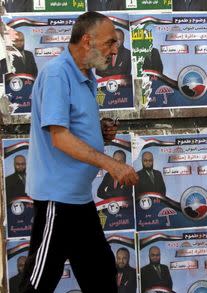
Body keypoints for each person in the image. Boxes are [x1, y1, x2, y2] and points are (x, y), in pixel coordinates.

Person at [21, 12, 139, 293]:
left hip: (78, 199)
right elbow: (60, 137)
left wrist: (97, 130)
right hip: (57, 199)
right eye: (110, 42)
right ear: (88, 40)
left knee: (101, 273)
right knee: (39, 282)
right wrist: (112, 164)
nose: (115, 49)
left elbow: (70, 124)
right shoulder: (57, 73)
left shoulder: (86, 75)